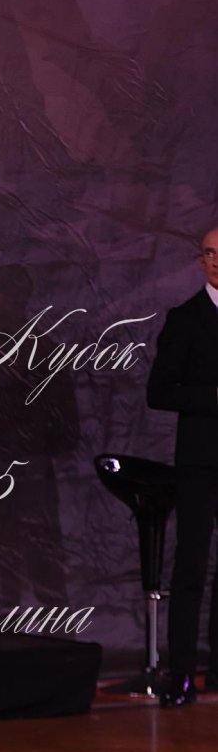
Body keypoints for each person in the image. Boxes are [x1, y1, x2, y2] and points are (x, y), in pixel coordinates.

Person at [147, 227, 218, 708]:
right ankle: (182, 675)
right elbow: (159, 392)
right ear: (200, 260)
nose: (216, 261)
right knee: (191, 565)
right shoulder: (186, 318)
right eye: (209, 253)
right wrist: (213, 397)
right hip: (200, 463)